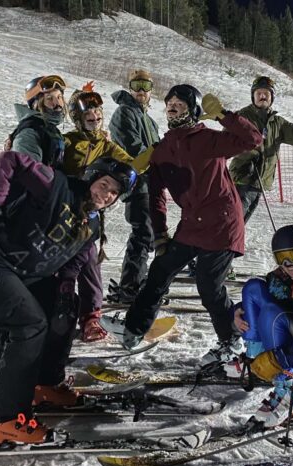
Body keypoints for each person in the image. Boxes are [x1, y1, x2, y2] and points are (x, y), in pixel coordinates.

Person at [0, 151, 136, 445]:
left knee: (61, 309)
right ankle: (4, 420)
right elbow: (10, 160)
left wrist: (67, 294)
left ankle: (45, 384)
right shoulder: (56, 186)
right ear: (92, 177)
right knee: (29, 325)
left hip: (18, 272)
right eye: (104, 185)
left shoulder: (91, 222)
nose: (108, 194)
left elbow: (76, 261)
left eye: (114, 192)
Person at [101, 84, 263, 367]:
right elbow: (155, 197)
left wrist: (224, 115)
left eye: (180, 102)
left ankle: (231, 341)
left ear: (194, 109)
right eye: (170, 102)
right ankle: (134, 329)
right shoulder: (162, 149)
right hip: (191, 225)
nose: (172, 105)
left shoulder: (209, 139)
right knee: (160, 270)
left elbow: (253, 139)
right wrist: (161, 234)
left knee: (208, 284)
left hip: (222, 224)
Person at [0, 75, 69, 378]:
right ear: (35, 103)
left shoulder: (48, 130)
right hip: (17, 221)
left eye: (60, 97)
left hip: (27, 222)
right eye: (49, 98)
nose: (57, 102)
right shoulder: (31, 131)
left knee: (10, 293)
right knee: (2, 295)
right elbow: (23, 168)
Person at [226, 225, 293, 427]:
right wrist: (238, 312)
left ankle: (290, 392)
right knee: (253, 287)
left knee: (270, 314)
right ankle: (254, 358)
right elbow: (261, 299)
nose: (287, 264)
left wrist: (280, 357)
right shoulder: (281, 278)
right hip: (291, 336)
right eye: (281, 258)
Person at [61, 83, 133, 341]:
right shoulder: (69, 141)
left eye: (97, 117)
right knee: (61, 263)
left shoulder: (106, 144)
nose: (94, 120)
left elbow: (130, 164)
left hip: (91, 212)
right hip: (64, 208)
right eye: (88, 117)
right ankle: (60, 310)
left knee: (90, 261)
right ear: (78, 119)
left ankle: (91, 316)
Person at [229, 76, 293, 223]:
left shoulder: (277, 123)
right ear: (253, 96)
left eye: (266, 94)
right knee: (233, 222)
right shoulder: (242, 117)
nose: (262, 97)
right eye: (258, 94)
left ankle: (231, 245)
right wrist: (247, 156)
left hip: (259, 183)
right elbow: (225, 142)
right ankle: (222, 246)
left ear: (271, 97)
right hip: (242, 180)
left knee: (240, 223)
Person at [107, 69, 160, 303]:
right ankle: (130, 286)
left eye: (145, 86)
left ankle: (137, 279)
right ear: (130, 87)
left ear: (151, 91)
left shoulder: (149, 120)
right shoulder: (124, 113)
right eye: (136, 85)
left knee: (149, 235)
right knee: (142, 232)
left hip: (150, 184)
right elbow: (134, 148)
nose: (141, 90)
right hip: (135, 181)